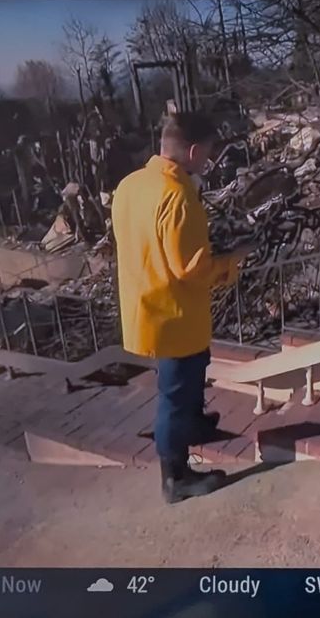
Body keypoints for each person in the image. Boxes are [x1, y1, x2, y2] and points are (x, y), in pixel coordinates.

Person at [110, 112, 250, 504]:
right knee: (174, 391)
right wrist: (232, 261)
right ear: (192, 151)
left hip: (145, 305)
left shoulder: (130, 185)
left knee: (191, 373)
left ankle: (195, 425)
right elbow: (191, 268)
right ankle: (175, 476)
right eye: (206, 153)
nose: (207, 161)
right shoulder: (176, 192)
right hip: (173, 314)